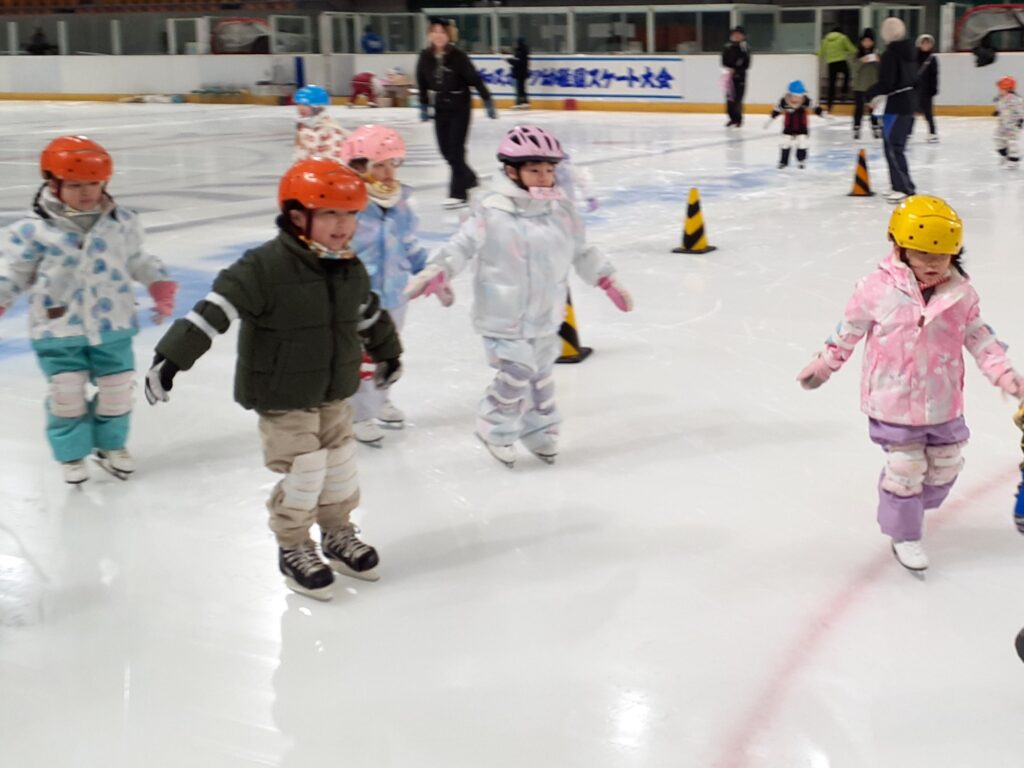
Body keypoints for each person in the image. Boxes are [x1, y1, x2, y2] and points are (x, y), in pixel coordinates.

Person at [144, 159, 402, 601]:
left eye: (350, 214)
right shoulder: (264, 267)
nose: (343, 226)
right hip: (282, 393)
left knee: (339, 466)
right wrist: (171, 359)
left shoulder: (348, 267)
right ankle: (294, 545)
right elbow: (214, 311)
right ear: (298, 216)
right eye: (331, 214)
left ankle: (337, 533)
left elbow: (368, 314)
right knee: (305, 470)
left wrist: (388, 351)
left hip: (333, 389)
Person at [797, 195, 1023, 573]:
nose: (932, 264)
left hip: (943, 400)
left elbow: (980, 337)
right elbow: (848, 332)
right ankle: (904, 533)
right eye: (922, 254)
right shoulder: (876, 289)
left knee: (946, 467)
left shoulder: (961, 294)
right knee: (906, 469)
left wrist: (1004, 373)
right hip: (893, 400)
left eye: (942, 256)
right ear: (899, 247)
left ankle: (909, 502)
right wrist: (824, 365)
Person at [404, 126, 633, 467]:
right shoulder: (491, 211)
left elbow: (581, 250)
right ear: (512, 171)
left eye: (549, 170)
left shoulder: (561, 211)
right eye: (534, 170)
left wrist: (606, 278)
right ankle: (493, 425)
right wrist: (437, 271)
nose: (544, 177)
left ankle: (539, 429)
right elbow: (461, 245)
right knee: (517, 371)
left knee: (540, 376)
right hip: (502, 314)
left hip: (546, 314)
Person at [0, 136, 177, 484]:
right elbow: (14, 272)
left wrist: (159, 284)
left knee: (117, 391)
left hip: (113, 325)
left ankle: (111, 445)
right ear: (53, 184)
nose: (86, 193)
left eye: (94, 184)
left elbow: (137, 258)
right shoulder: (32, 231)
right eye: (75, 185)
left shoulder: (120, 222)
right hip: (57, 329)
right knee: (66, 394)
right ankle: (72, 453)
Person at [339, 125, 437, 445]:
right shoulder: (348, 205)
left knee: (387, 352)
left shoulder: (399, 202)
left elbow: (408, 242)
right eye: (379, 165)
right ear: (357, 166)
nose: (387, 172)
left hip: (395, 294)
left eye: (392, 164)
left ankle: (380, 400)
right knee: (360, 358)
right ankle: (359, 414)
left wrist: (428, 269)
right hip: (360, 298)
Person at [416, 17, 498, 209]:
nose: (438, 35)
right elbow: (422, 82)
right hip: (440, 105)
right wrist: (423, 105)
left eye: (442, 32)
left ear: (449, 35)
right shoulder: (425, 57)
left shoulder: (458, 56)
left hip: (460, 104)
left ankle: (458, 193)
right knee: (446, 151)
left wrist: (487, 99)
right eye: (434, 31)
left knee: (456, 149)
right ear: (429, 34)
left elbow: (474, 79)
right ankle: (468, 177)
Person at [866, 17, 918, 203]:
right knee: (895, 146)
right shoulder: (910, 52)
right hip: (908, 103)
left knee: (893, 146)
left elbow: (887, 82)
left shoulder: (891, 54)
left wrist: (869, 94)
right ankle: (898, 185)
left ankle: (904, 187)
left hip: (896, 105)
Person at [766, 80, 824, 169]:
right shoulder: (784, 101)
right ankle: (783, 161)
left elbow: (815, 107)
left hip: (802, 126)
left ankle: (801, 160)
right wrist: (771, 118)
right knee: (785, 143)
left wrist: (822, 113)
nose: (797, 99)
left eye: (799, 96)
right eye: (795, 96)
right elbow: (777, 110)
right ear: (790, 94)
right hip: (788, 126)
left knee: (802, 142)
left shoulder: (806, 100)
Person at [292, 84, 347, 163]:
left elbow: (334, 155)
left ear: (317, 107)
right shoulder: (302, 126)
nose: (300, 108)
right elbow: (299, 151)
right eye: (298, 104)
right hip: (306, 167)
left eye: (305, 105)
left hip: (324, 167)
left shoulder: (328, 128)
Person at [851, 29, 882, 141]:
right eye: (865, 41)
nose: (867, 43)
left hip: (873, 86)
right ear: (861, 42)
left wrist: (879, 61)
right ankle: (856, 127)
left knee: (873, 109)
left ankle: (875, 127)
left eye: (869, 41)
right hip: (859, 86)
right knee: (859, 108)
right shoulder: (856, 54)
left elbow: (882, 70)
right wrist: (861, 61)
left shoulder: (877, 54)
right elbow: (853, 69)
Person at [818, 26, 857, 112]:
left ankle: (829, 103)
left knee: (832, 83)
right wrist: (856, 53)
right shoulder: (843, 38)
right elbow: (852, 49)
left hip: (831, 63)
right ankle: (844, 93)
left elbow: (821, 53)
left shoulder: (825, 40)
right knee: (847, 75)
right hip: (841, 61)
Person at [721, 26, 751, 128]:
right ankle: (732, 118)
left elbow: (747, 64)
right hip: (729, 76)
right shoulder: (727, 47)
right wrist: (729, 68)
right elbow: (723, 61)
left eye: (739, 34)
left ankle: (738, 119)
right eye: (735, 34)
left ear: (743, 36)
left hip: (740, 77)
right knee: (729, 99)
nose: (737, 36)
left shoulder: (745, 48)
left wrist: (737, 70)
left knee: (738, 99)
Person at [914, 34, 939, 143]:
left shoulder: (932, 58)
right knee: (911, 111)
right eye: (923, 43)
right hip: (915, 88)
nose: (925, 45)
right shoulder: (914, 57)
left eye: (927, 43)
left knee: (928, 112)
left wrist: (934, 88)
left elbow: (934, 74)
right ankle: (907, 132)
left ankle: (932, 132)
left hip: (926, 89)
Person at [994, 75, 1022, 168]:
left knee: (1012, 142)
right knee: (997, 137)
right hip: (1002, 124)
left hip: (1013, 125)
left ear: (1008, 89)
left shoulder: (1015, 99)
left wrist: (1021, 119)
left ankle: (1014, 159)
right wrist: (997, 111)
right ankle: (1004, 154)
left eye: (1001, 89)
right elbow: (1000, 106)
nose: (999, 90)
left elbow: (1020, 109)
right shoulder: (1001, 97)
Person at [507, 36, 530, 110]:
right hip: (522, 72)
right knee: (521, 88)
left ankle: (520, 103)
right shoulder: (523, 51)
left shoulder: (520, 51)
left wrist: (510, 60)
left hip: (519, 72)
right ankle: (524, 102)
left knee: (520, 88)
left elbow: (518, 62)